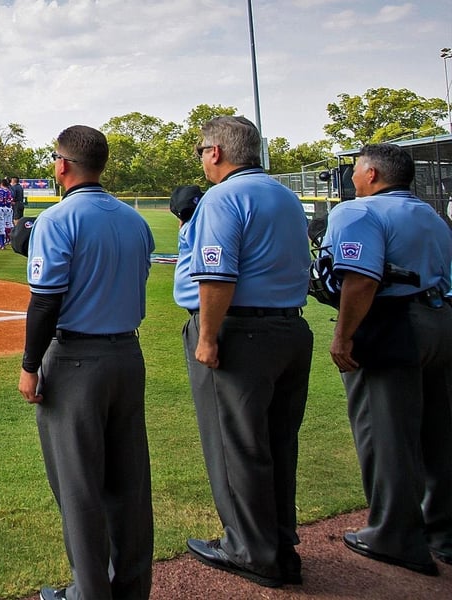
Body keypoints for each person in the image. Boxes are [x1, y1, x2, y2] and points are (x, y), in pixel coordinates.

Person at [18, 125, 155, 600]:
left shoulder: (58, 219)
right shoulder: (134, 219)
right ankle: (133, 588)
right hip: (127, 356)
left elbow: (44, 303)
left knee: (79, 486)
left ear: (63, 165)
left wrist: (30, 364)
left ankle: (90, 592)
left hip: (76, 361)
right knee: (129, 483)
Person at [176, 116, 312, 588]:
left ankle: (250, 551)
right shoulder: (286, 195)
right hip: (291, 329)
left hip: (242, 333)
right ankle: (279, 545)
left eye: (200, 150)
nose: (201, 158)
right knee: (278, 444)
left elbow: (216, 273)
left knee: (236, 447)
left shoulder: (222, 197)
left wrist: (208, 336)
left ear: (216, 152)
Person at [322, 143, 452, 575]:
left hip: (394, 324)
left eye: (357, 170)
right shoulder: (430, 214)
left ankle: (395, 536)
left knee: (385, 432)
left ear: (372, 174)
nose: (353, 177)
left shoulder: (356, 211)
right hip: (441, 319)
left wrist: (343, 336)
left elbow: (360, 280)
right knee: (438, 433)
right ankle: (443, 533)